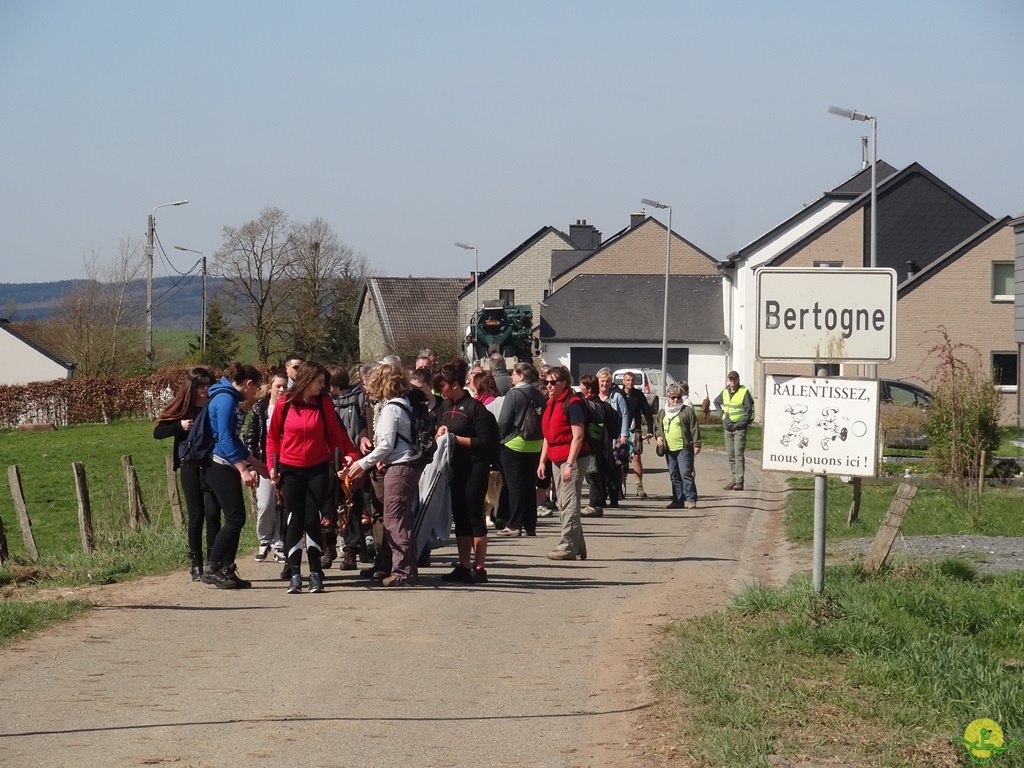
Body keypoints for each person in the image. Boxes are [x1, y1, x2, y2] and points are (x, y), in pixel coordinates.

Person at [266, 361, 359, 594]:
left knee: (312, 518)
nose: (323, 387)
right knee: (294, 518)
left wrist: (343, 460)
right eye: (319, 382)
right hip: (290, 469)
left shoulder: (323, 403)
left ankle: (316, 572)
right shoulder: (285, 404)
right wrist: (272, 467)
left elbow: (334, 435)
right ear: (307, 380)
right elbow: (273, 438)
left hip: (318, 469)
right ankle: (295, 573)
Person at [346, 363, 423, 587]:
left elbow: (386, 445)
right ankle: (407, 569)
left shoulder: (391, 408)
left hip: (398, 467)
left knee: (394, 520)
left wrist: (362, 463)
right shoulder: (403, 403)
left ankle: (402, 572)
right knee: (401, 519)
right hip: (405, 465)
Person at [199, 363, 270, 589]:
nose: (256, 393)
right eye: (256, 387)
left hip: (224, 463)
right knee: (235, 518)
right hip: (219, 465)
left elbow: (235, 439)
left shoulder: (227, 397)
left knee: (235, 518)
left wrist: (256, 464)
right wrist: (242, 469)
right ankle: (212, 568)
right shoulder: (226, 399)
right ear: (249, 384)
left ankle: (227, 569)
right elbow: (225, 439)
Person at [436, 358, 499, 583]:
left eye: (442, 385)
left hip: (475, 467)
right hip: (454, 468)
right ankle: (463, 565)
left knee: (474, 516)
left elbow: (485, 442)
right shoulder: (444, 407)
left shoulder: (476, 409)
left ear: (454, 384)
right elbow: (439, 434)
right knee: (460, 517)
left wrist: (454, 438)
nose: (439, 390)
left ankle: (479, 567)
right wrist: (440, 434)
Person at [154, 367, 218, 581]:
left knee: (213, 513)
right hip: (189, 466)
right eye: (201, 385)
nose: (205, 389)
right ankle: (196, 564)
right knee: (196, 516)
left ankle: (213, 561)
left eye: (208, 384)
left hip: (211, 464)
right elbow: (157, 432)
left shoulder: (213, 405)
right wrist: (178, 426)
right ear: (191, 386)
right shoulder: (183, 407)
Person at [538, 366, 589, 561]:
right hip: (556, 456)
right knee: (566, 502)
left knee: (568, 503)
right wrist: (542, 461)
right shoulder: (551, 403)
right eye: (546, 382)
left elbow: (578, 436)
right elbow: (547, 436)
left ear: (564, 383)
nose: (549, 386)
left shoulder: (572, 403)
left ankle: (568, 545)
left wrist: (569, 464)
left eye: (553, 382)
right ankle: (578, 547)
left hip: (572, 458)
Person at [243, 369, 288, 564]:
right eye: (278, 386)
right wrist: (250, 465)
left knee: (282, 506)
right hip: (264, 463)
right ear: (270, 387)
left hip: (287, 463)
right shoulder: (259, 409)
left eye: (285, 386)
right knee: (265, 504)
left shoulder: (291, 407)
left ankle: (279, 544)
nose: (282, 390)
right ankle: (264, 540)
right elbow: (251, 438)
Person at [496, 362, 545, 537]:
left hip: (514, 443)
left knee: (514, 485)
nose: (511, 377)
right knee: (529, 486)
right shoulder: (539, 395)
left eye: (514, 374)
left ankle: (515, 524)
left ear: (521, 376)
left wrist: (499, 439)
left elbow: (504, 421)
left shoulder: (514, 394)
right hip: (535, 444)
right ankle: (530, 525)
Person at [330, 364, 369, 571]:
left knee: (352, 505)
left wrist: (357, 452)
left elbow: (360, 426)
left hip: (353, 458)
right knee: (330, 507)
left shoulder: (358, 399)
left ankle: (351, 551)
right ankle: (328, 547)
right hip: (330, 460)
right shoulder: (323, 404)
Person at [654, 383, 702, 509]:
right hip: (669, 449)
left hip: (684, 448)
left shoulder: (687, 411)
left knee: (685, 473)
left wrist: (697, 444)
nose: (676, 400)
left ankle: (691, 499)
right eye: (673, 398)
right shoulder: (663, 412)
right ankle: (678, 500)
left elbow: (694, 428)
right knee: (674, 475)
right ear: (668, 398)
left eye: (678, 398)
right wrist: (659, 437)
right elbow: (658, 427)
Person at [714, 370, 755, 491]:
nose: (732, 381)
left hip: (739, 428)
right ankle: (733, 479)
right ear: (728, 380)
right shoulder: (725, 391)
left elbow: (748, 411)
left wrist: (739, 425)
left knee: (738, 455)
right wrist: (722, 416)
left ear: (738, 379)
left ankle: (739, 481)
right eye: (730, 379)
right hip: (727, 427)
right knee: (730, 455)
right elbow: (716, 402)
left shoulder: (744, 392)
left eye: (734, 379)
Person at [595, 368, 629, 504]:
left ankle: (614, 497)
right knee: (600, 467)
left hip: (614, 436)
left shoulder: (617, 397)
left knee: (614, 467)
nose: (604, 384)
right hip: (599, 438)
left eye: (607, 381)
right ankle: (601, 496)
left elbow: (625, 415)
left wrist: (624, 434)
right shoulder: (595, 397)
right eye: (602, 381)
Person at [620, 371, 654, 499]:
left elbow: (647, 413)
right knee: (621, 459)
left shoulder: (639, 395)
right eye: (627, 380)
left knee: (636, 458)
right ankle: (621, 485)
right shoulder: (619, 395)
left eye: (632, 380)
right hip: (622, 431)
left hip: (636, 431)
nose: (630, 382)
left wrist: (650, 430)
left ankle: (639, 486)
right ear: (623, 381)